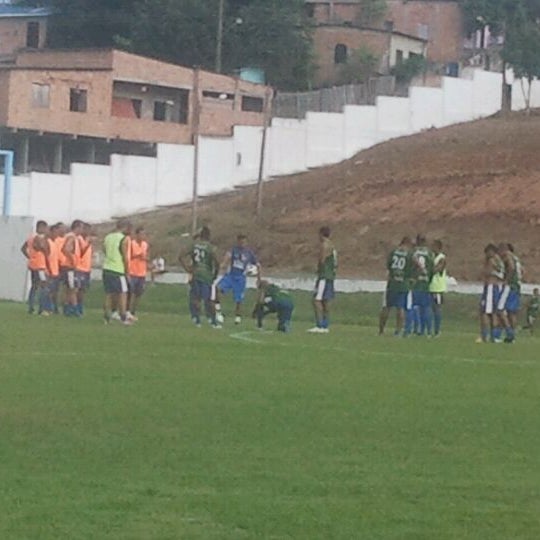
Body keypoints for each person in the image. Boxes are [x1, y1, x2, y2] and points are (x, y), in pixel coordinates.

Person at [179, 226, 220, 328]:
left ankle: (197, 319)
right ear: (209, 236)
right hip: (207, 276)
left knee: (195, 297)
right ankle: (212, 320)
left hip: (196, 274)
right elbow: (217, 262)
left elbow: (181, 256)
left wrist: (187, 269)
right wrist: (215, 275)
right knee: (208, 299)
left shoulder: (194, 245)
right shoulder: (210, 247)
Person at [214, 234, 260, 325]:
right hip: (230, 276)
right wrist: (223, 265)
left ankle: (238, 317)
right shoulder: (233, 250)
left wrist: (259, 278)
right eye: (240, 241)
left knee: (239, 299)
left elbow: (258, 265)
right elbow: (227, 257)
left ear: (246, 242)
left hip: (240, 279)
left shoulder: (249, 253)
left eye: (244, 242)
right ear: (237, 242)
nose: (242, 243)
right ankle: (218, 311)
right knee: (217, 289)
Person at [379, 236, 413, 336]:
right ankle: (398, 331)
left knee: (386, 307)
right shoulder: (409, 254)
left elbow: (389, 267)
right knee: (400, 307)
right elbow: (416, 265)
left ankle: (381, 330)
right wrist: (411, 277)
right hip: (403, 284)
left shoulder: (394, 252)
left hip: (392, 283)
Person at [308, 226, 337, 334]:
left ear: (320, 234)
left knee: (316, 300)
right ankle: (325, 325)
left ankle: (319, 325)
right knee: (326, 301)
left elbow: (322, 260)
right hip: (330, 276)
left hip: (324, 276)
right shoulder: (332, 245)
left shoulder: (324, 245)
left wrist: (317, 270)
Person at [102, 219, 132, 325]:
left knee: (108, 294)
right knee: (123, 293)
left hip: (107, 268)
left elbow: (104, 250)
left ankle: (106, 317)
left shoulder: (108, 237)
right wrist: (127, 272)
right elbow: (125, 257)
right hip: (118, 270)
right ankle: (123, 317)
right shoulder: (124, 239)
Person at [405, 235, 434, 337]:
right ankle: (427, 331)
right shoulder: (430, 254)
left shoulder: (413, 252)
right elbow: (432, 269)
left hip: (415, 283)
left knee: (412, 306)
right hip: (425, 283)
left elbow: (409, 265)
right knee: (426, 308)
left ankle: (410, 329)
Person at [477, 243, 505, 343]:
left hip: (490, 287)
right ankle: (493, 336)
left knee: (485, 312)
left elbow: (487, 272)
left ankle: (485, 336)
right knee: (492, 312)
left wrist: (485, 272)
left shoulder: (492, 260)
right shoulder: (499, 261)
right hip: (495, 287)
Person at [21, 220, 50, 315]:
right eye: (45, 228)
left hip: (33, 265)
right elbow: (42, 248)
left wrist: (30, 257)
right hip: (40, 266)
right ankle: (41, 309)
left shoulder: (30, 237)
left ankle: (31, 307)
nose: (46, 230)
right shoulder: (38, 238)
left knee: (34, 286)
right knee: (44, 286)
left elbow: (23, 248)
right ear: (40, 228)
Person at [496, 243, 522, 342]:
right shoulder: (517, 259)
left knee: (500, 309)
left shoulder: (508, 256)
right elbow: (522, 271)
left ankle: (509, 333)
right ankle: (512, 336)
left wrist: (506, 280)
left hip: (510, 286)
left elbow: (511, 267)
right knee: (511, 312)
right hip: (517, 286)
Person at [61, 219, 84, 317]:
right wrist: (72, 260)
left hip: (66, 266)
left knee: (68, 288)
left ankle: (67, 309)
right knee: (73, 288)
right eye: (81, 228)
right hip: (70, 267)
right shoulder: (72, 237)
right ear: (77, 227)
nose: (82, 230)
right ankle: (74, 309)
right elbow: (66, 249)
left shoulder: (69, 236)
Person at [128, 226, 150, 320]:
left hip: (142, 272)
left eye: (144, 234)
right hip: (132, 271)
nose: (143, 236)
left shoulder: (145, 245)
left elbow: (147, 256)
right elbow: (129, 256)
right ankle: (127, 310)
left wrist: (146, 259)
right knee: (130, 293)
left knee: (138, 293)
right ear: (136, 234)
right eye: (141, 234)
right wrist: (137, 256)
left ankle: (133, 311)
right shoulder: (131, 244)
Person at [429, 239, 448, 337]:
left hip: (437, 288)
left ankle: (437, 330)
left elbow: (437, 269)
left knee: (437, 309)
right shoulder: (431, 256)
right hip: (429, 287)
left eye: (434, 246)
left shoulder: (442, 258)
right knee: (429, 309)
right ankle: (428, 329)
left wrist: (427, 269)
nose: (432, 248)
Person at [75, 222, 94, 316]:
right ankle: (76, 308)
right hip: (79, 268)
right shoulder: (78, 239)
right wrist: (88, 244)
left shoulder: (86, 239)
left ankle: (80, 307)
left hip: (87, 268)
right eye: (86, 229)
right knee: (77, 289)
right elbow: (81, 252)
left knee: (83, 289)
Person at [45, 223, 62, 314]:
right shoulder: (48, 242)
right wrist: (48, 269)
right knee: (48, 291)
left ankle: (52, 308)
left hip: (56, 270)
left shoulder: (55, 243)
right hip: (50, 271)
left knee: (54, 292)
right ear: (51, 232)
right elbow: (46, 257)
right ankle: (46, 308)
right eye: (55, 232)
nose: (57, 234)